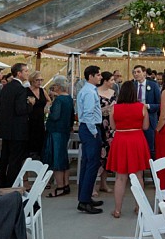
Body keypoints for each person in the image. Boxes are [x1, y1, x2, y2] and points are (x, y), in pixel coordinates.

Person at [106, 81, 151, 219]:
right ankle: (139, 207)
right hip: (137, 140)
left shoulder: (115, 108)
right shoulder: (142, 107)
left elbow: (113, 126)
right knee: (138, 176)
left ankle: (118, 210)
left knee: (120, 178)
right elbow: (145, 127)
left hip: (120, 140)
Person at [76, 65, 105, 214]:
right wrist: (94, 131)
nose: (100, 77)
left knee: (88, 163)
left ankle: (84, 196)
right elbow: (87, 114)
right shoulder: (88, 92)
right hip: (90, 129)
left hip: (88, 128)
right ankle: (85, 200)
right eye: (98, 75)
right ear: (91, 76)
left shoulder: (88, 90)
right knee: (92, 164)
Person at [0, 63, 32, 188]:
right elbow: (20, 110)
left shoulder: (5, 87)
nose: (28, 73)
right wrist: (30, 104)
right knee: (15, 160)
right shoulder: (20, 89)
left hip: (6, 128)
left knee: (4, 158)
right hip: (18, 130)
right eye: (26, 71)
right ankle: (11, 185)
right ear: (19, 73)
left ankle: (0, 182)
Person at [44, 83, 75, 197]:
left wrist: (48, 111)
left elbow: (55, 115)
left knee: (56, 158)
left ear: (58, 87)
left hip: (56, 131)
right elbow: (72, 115)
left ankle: (60, 186)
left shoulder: (59, 100)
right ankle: (66, 184)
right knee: (63, 157)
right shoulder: (69, 99)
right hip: (65, 130)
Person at [132, 64, 160, 158]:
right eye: (134, 72)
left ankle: (151, 168)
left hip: (150, 120)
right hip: (135, 121)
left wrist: (147, 106)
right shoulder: (132, 86)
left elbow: (159, 104)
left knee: (150, 146)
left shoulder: (153, 85)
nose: (136, 74)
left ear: (144, 73)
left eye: (138, 72)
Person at [95, 72, 116, 195]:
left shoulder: (113, 93)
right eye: (112, 80)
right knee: (97, 156)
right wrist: (104, 110)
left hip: (110, 126)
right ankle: (94, 185)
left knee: (107, 156)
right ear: (105, 80)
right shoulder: (96, 92)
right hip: (99, 125)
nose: (113, 82)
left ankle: (104, 183)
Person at [26, 71, 49, 161]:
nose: (39, 82)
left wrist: (46, 107)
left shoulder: (42, 90)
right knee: (31, 139)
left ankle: (40, 157)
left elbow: (48, 100)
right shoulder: (26, 91)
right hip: (30, 119)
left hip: (40, 118)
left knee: (41, 138)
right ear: (32, 80)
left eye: (41, 80)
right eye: (37, 80)